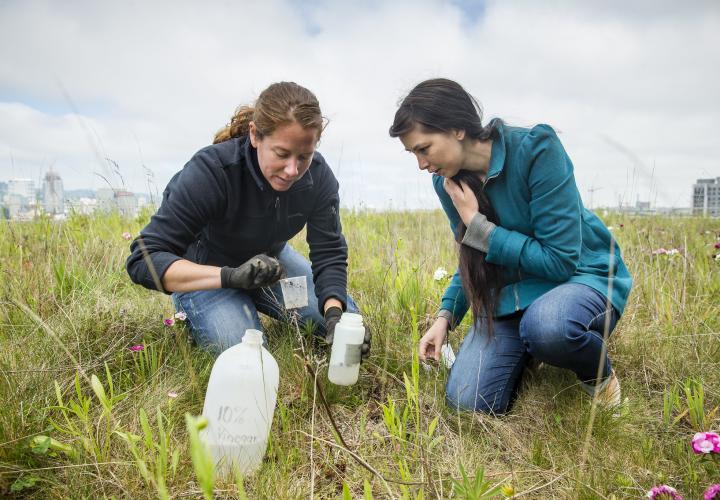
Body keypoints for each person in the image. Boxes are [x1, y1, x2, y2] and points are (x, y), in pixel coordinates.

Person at [389, 78, 632, 414]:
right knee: (467, 402)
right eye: (413, 153)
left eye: (423, 148)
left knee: (549, 327)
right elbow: (471, 257)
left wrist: (482, 229)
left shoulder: (537, 150)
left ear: (457, 128)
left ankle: (598, 377)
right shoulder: (447, 183)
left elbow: (560, 260)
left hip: (578, 280)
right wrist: (445, 317)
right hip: (511, 300)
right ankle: (531, 350)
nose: (421, 164)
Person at [126, 81, 371, 357]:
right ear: (255, 135)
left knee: (350, 325)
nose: (292, 170)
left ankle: (274, 301)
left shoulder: (318, 177)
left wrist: (335, 315)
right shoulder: (212, 171)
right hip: (207, 273)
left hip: (271, 265)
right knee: (247, 357)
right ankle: (211, 308)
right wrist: (230, 277)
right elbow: (143, 260)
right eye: (281, 154)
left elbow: (329, 252)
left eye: (304, 156)